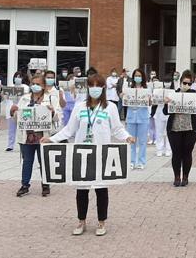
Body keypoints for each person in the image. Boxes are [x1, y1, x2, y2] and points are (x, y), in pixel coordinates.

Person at [41, 73, 134, 236]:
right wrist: (52, 139)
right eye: (91, 85)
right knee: (82, 189)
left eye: (98, 85)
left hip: (101, 153)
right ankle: (81, 221)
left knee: (101, 188)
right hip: (82, 153)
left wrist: (127, 136)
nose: (94, 89)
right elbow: (69, 130)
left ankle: (101, 222)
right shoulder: (80, 106)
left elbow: (117, 129)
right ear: (88, 87)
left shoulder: (110, 107)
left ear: (103, 88)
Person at [10, 74, 59, 197]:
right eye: (33, 84)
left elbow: (58, 118)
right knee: (27, 161)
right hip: (27, 136)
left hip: (43, 136)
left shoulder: (51, 98)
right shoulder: (25, 98)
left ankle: (45, 184)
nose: (35, 86)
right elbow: (18, 119)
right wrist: (13, 112)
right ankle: (25, 185)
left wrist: (52, 112)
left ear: (43, 86)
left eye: (38, 84)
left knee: (44, 161)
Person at [163, 71, 196, 186]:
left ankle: (185, 176)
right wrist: (166, 103)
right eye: (184, 83)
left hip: (190, 128)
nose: (186, 85)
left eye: (189, 84)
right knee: (176, 153)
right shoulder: (173, 94)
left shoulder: (194, 93)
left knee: (187, 152)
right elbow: (165, 112)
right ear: (180, 82)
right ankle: (176, 176)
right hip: (174, 128)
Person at [125, 69, 150, 169]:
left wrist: (149, 99)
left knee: (142, 141)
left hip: (143, 116)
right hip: (131, 116)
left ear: (142, 77)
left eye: (139, 76)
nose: (138, 77)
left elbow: (151, 103)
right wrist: (123, 96)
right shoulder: (128, 89)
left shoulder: (147, 89)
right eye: (136, 75)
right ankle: (131, 161)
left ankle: (141, 161)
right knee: (131, 140)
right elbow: (124, 101)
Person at [5, 71, 30, 151]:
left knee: (23, 128)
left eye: (19, 77)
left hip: (22, 109)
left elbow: (27, 96)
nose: (18, 78)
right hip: (11, 109)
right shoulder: (10, 86)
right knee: (11, 129)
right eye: (16, 76)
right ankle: (10, 145)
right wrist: (4, 95)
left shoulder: (25, 87)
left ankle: (24, 143)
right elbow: (6, 96)